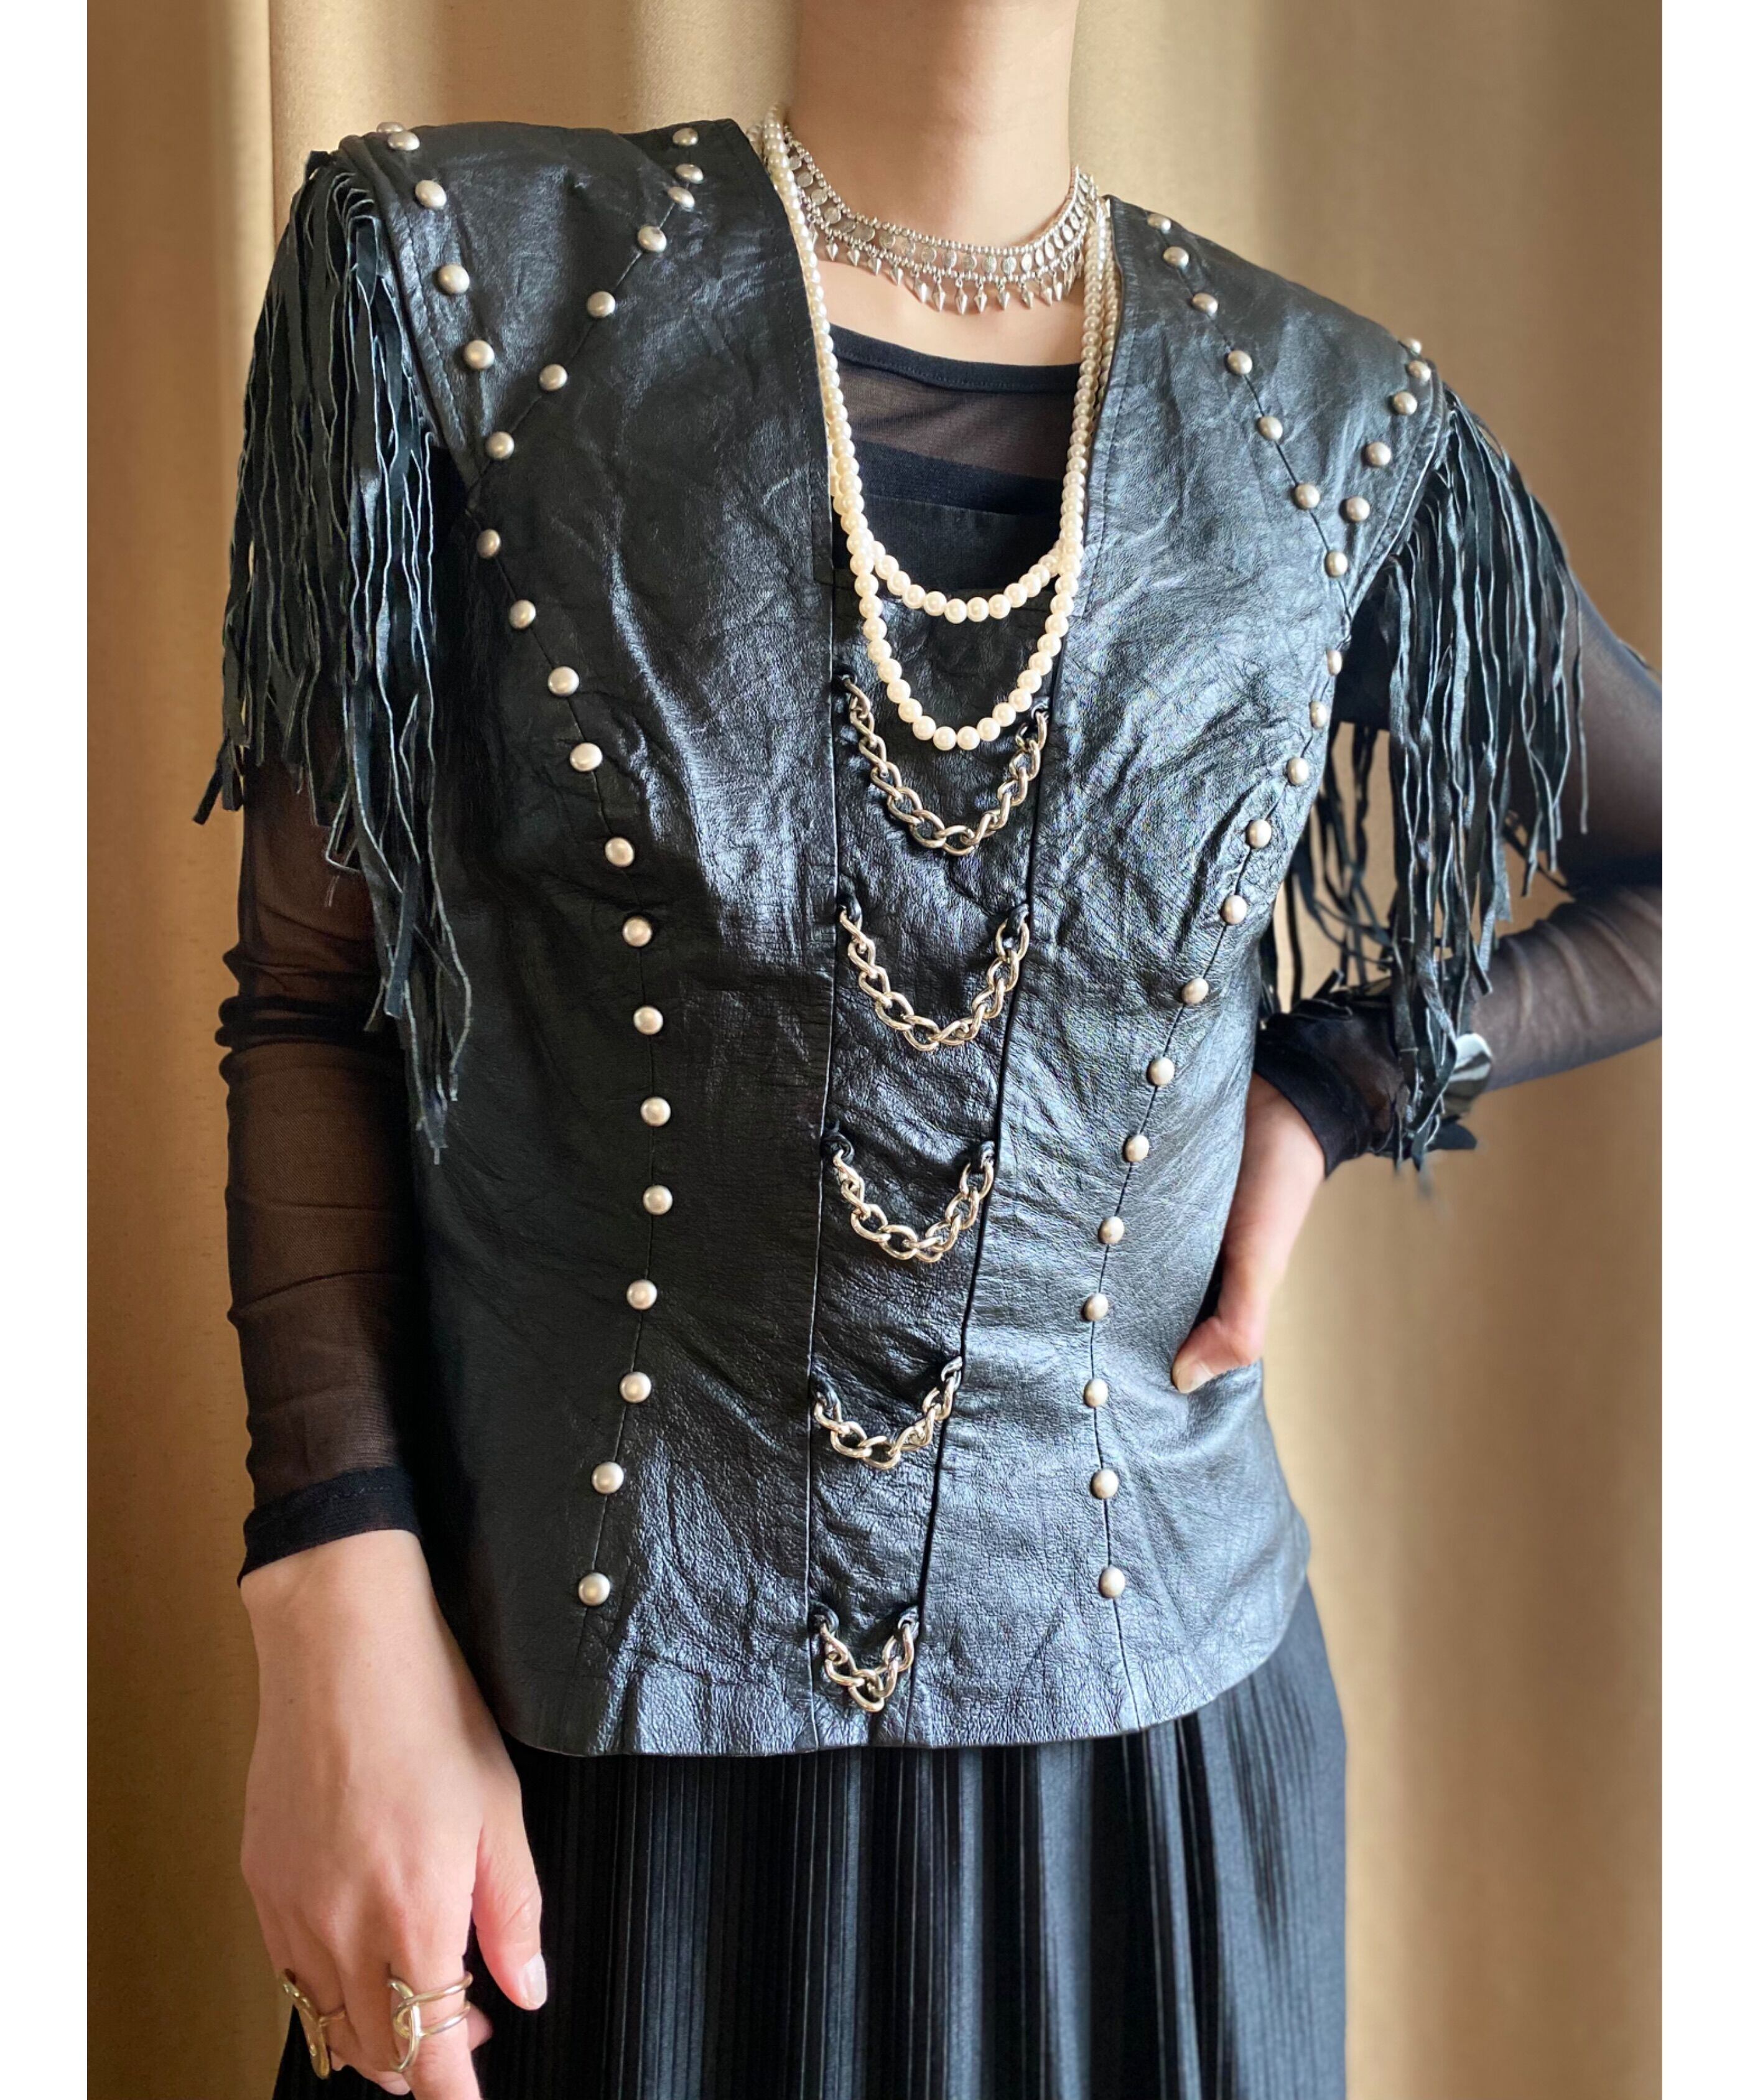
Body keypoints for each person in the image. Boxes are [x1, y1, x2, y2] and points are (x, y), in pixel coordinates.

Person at [204, 3, 1660, 2094]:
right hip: (583, 1760)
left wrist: (1328, 1091)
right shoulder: (460, 287)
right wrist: (328, 1600)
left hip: (1150, 1787)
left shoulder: (1325, 429)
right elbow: (310, 998)